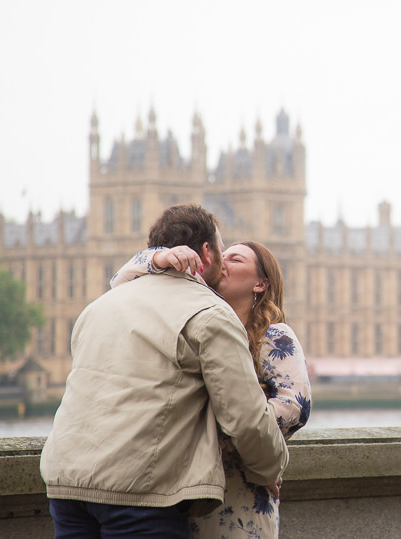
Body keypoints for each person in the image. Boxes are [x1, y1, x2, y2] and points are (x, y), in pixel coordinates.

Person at [40, 204, 288, 538]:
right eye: (223, 251)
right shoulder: (211, 313)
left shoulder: (98, 306)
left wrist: (153, 260)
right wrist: (270, 467)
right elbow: (245, 417)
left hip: (66, 483)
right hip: (138, 490)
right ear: (206, 253)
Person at [111, 239, 311, 539]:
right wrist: (164, 256)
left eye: (236, 259)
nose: (223, 262)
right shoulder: (197, 322)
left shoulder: (274, 335)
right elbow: (120, 283)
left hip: (237, 494)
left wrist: (225, 438)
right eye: (222, 255)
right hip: (182, 495)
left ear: (260, 284)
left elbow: (295, 406)